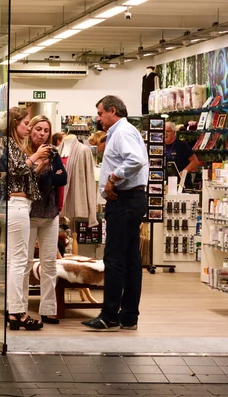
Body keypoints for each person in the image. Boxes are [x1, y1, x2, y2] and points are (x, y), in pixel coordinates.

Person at [82, 95, 148, 332]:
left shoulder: (122, 132)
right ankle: (129, 315)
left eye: (100, 113)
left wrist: (112, 178)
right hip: (131, 200)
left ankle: (109, 315)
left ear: (112, 110)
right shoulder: (123, 131)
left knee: (115, 259)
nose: (98, 118)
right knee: (130, 259)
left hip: (124, 201)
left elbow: (135, 161)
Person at [1, 107, 52, 331]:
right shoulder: (9, 145)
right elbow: (17, 169)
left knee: (17, 261)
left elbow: (24, 175)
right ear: (15, 123)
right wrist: (35, 157)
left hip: (20, 204)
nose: (29, 128)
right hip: (17, 205)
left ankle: (15, 312)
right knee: (19, 261)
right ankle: (18, 312)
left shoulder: (13, 146)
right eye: (26, 123)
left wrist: (40, 165)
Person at [25, 115, 67, 325]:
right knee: (24, 263)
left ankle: (49, 309)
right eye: (38, 129)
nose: (42, 134)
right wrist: (43, 170)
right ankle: (19, 308)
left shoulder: (53, 152)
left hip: (50, 214)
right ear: (30, 129)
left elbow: (63, 178)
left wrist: (43, 173)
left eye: (46, 131)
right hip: (28, 213)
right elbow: (24, 178)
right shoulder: (24, 152)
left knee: (49, 262)